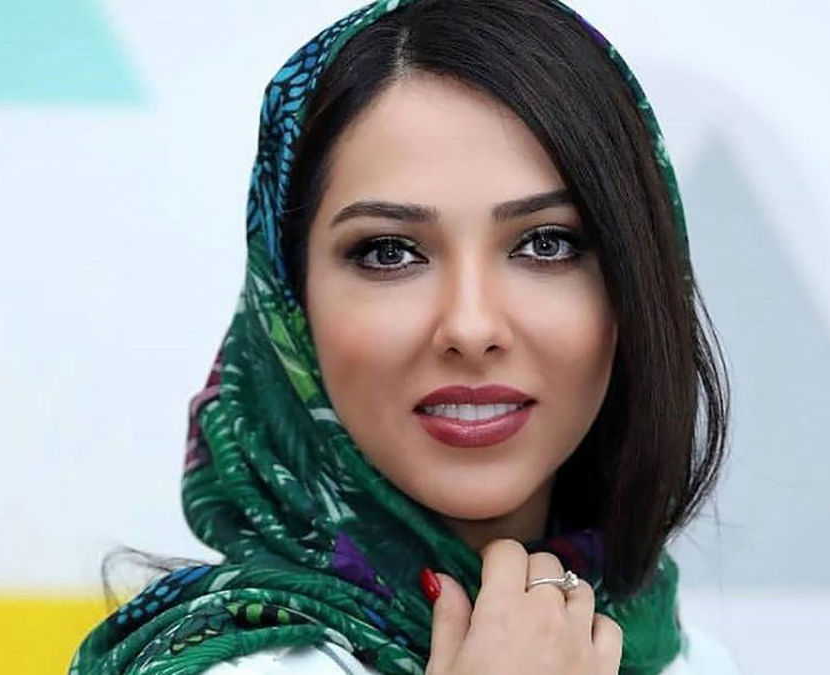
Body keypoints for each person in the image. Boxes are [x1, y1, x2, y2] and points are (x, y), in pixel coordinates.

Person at [69, 0, 734, 673]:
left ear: (634, 277)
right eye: (389, 252)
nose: (471, 327)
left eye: (546, 243)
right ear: (289, 304)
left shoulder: (686, 657)